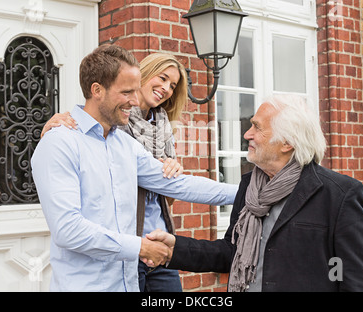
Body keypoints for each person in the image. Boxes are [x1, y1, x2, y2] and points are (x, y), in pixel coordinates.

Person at [31, 44, 238, 292]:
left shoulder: (126, 145)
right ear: (97, 90)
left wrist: (247, 191)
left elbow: (178, 185)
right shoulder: (59, 142)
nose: (134, 100)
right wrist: (140, 247)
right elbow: (67, 229)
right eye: (127, 92)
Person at [147, 94, 363, 292]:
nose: (247, 134)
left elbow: (359, 280)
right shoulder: (250, 186)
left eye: (256, 127)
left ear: (286, 142)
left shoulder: (339, 195)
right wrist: (173, 249)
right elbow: (231, 251)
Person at [40, 53, 189, 292]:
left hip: (158, 240)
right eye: (162, 78)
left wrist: (172, 172)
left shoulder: (164, 129)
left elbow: (168, 197)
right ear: (143, 76)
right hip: (127, 245)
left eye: (172, 86)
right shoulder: (112, 122)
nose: (166, 89)